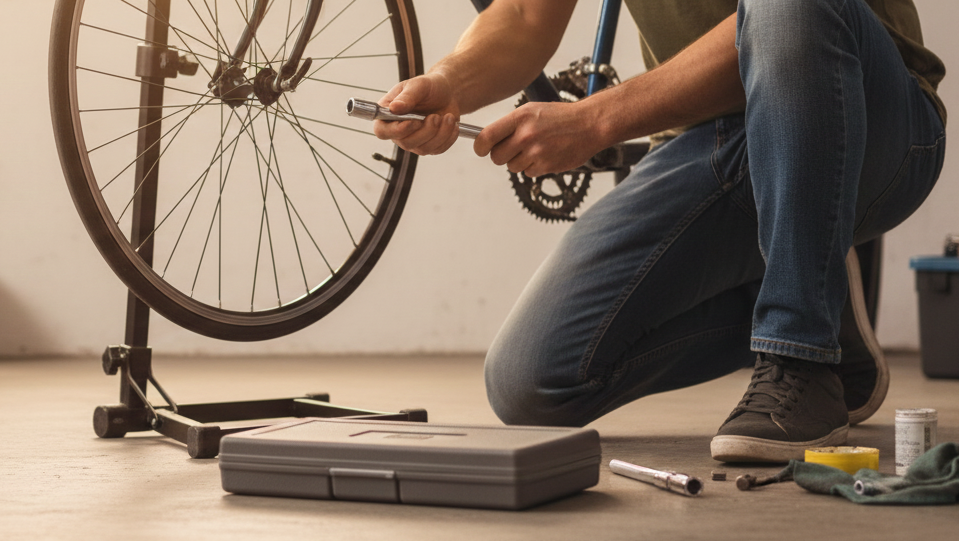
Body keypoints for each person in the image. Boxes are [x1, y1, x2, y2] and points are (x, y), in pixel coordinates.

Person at [374, 0, 946, 462]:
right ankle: (817, 289)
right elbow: (525, 14)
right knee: (530, 382)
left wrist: (596, 118)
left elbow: (783, 19)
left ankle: (802, 352)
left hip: (866, 118)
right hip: (705, 139)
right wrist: (450, 82)